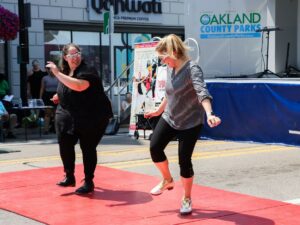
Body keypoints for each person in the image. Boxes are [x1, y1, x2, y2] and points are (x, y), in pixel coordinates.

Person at [144, 34, 221, 215]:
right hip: (170, 117)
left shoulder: (192, 69)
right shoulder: (171, 68)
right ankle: (167, 179)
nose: (163, 61)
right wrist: (158, 111)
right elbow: (169, 95)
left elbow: (202, 92)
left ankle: (186, 197)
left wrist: (209, 114)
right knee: (155, 147)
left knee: (184, 161)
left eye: (164, 57)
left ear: (175, 52)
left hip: (190, 122)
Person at [46, 43, 113, 195]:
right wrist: (59, 95)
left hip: (92, 116)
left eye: (77, 53)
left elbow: (79, 86)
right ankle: (69, 176)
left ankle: (88, 181)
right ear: (65, 57)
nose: (75, 57)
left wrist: (56, 73)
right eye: (72, 55)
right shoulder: (66, 71)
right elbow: (67, 87)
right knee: (65, 142)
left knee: (88, 148)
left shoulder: (87, 70)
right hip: (69, 113)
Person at [39, 68, 59, 134]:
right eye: (50, 70)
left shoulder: (58, 77)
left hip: (56, 95)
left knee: (56, 114)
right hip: (47, 96)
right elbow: (42, 88)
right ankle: (46, 130)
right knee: (47, 113)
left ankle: (56, 129)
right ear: (48, 71)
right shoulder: (44, 78)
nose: (51, 71)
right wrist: (40, 98)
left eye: (52, 70)